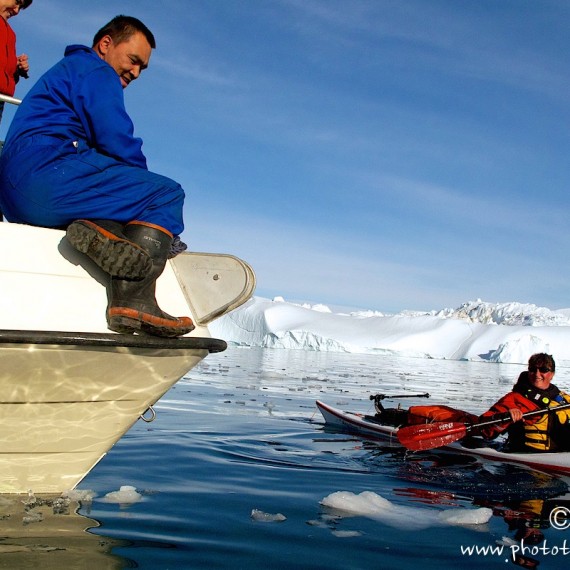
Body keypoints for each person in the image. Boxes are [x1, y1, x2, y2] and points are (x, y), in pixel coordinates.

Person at [0, 15, 194, 338]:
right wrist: (154, 216)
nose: (135, 73)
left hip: (16, 190)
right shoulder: (95, 71)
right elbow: (117, 139)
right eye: (134, 61)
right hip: (46, 172)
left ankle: (104, 233)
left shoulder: (68, 72)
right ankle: (134, 300)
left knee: (110, 182)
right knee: (166, 194)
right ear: (106, 44)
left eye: (142, 68)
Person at [478, 353, 570, 452]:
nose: (537, 374)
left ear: (552, 374)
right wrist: (505, 417)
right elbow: (486, 431)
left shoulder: (565, 399)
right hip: (525, 456)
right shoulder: (514, 398)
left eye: (543, 370)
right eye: (533, 369)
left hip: (561, 453)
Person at [0, 0, 31, 125]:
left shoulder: (11, 34)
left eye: (21, 7)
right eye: (17, 2)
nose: (17, 10)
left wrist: (15, 68)